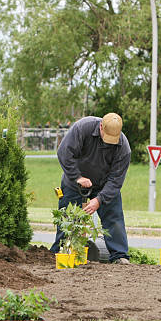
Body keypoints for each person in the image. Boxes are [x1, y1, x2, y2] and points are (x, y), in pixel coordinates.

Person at [50, 113, 132, 264]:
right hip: (74, 182)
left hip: (103, 186)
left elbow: (116, 180)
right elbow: (64, 153)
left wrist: (99, 200)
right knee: (68, 219)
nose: (109, 143)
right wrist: (78, 177)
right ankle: (61, 252)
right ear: (101, 126)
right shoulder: (83, 128)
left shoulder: (123, 147)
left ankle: (119, 256)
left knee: (114, 218)